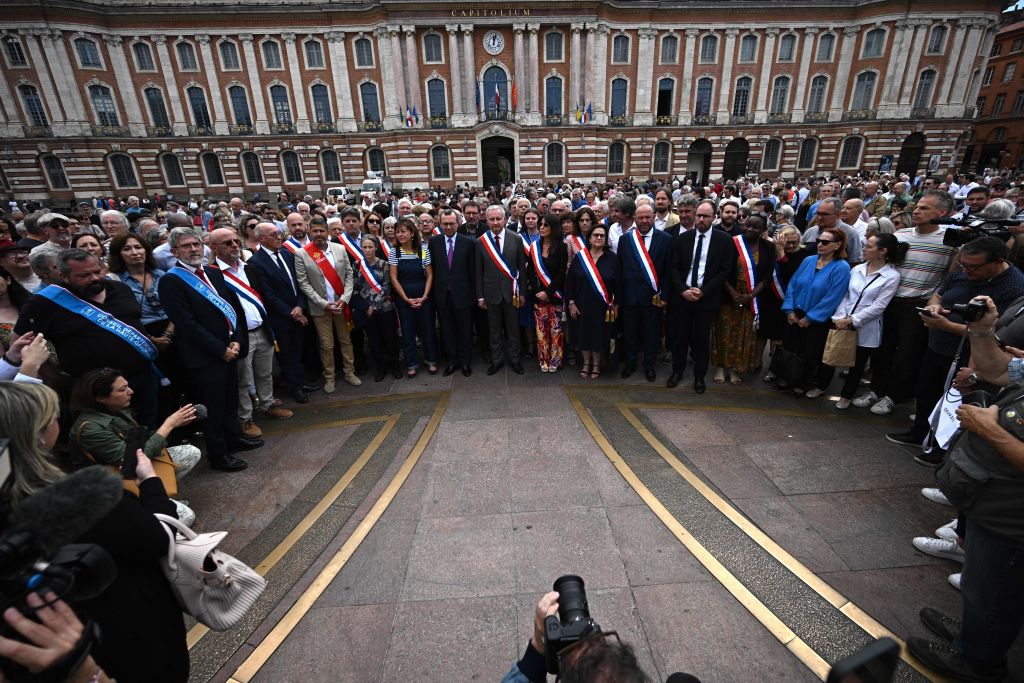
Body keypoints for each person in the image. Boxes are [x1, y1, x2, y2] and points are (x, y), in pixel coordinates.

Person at [0, 381, 188, 683]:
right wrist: (151, 485)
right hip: (130, 635)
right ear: (36, 434)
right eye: (50, 416)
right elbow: (159, 539)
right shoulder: (84, 499)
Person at [907, 294, 1024, 681]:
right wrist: (983, 330)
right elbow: (1002, 371)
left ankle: (978, 661)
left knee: (996, 588)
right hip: (991, 496)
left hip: (1013, 514)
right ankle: (976, 632)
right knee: (980, 580)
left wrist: (990, 430)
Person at [886, 237, 1024, 460]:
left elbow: (996, 334)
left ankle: (942, 451)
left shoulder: (1015, 287)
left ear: (997, 262)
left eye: (973, 267)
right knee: (927, 390)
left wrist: (949, 326)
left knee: (956, 402)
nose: (966, 270)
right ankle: (919, 432)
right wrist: (935, 306)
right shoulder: (963, 270)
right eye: (963, 265)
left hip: (974, 355)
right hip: (938, 344)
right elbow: (940, 293)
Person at [158, 227, 259, 473]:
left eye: (196, 244)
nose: (193, 249)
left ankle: (233, 438)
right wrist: (220, 349)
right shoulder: (171, 281)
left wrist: (236, 340)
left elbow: (232, 309)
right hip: (204, 357)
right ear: (174, 252)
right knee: (212, 408)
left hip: (229, 350)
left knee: (230, 399)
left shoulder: (212, 273)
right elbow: (187, 324)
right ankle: (218, 455)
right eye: (186, 246)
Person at [865, 191, 958, 415]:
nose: (916, 210)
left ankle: (893, 396)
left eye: (925, 208)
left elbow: (950, 274)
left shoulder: (950, 239)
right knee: (881, 349)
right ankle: (876, 389)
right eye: (917, 206)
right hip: (889, 301)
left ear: (942, 213)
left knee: (907, 354)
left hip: (918, 304)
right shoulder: (902, 234)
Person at [68, 368, 200, 521]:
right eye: (123, 389)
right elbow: (133, 462)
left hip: (129, 471)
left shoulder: (113, 409)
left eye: (128, 386)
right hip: (110, 489)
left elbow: (140, 445)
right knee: (186, 518)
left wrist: (176, 423)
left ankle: (158, 499)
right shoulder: (90, 428)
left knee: (190, 452)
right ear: (100, 397)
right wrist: (169, 425)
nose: (130, 391)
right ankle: (145, 509)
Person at [208, 228, 293, 439]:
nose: (234, 245)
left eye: (236, 241)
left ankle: (267, 404)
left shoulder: (249, 268)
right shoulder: (211, 274)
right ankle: (245, 419)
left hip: (262, 329)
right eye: (227, 243)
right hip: (239, 336)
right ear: (214, 248)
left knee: (265, 373)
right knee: (243, 380)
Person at [668, 200, 735, 392]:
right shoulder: (683, 239)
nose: (701, 219)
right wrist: (683, 290)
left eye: (706, 216)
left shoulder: (723, 240)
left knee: (701, 340)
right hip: (683, 297)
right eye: (699, 215)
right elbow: (674, 268)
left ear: (714, 217)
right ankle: (677, 371)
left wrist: (704, 291)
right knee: (680, 338)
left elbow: (724, 271)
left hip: (707, 298)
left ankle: (699, 377)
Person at [834, 234, 904, 409]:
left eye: (870, 246)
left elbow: (879, 306)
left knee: (858, 362)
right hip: (843, 320)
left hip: (867, 326)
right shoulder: (856, 269)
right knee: (838, 354)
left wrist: (853, 319)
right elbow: (845, 295)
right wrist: (840, 317)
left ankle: (847, 395)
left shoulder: (891, 276)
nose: (864, 249)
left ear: (883, 251)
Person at [780, 228, 852, 397]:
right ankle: (787, 377)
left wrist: (811, 318)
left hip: (818, 319)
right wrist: (789, 309)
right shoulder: (809, 260)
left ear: (837, 245)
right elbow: (793, 284)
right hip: (796, 312)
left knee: (810, 352)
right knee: (790, 348)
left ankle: (803, 383)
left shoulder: (841, 267)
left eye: (826, 242)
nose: (820, 244)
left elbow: (833, 297)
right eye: (820, 240)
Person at [246, 222, 312, 403]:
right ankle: (294, 387)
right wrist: (293, 312)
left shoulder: (286, 253)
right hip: (281, 317)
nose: (278, 237)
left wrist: (300, 306)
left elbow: (300, 282)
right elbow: (268, 295)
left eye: (279, 233)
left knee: (298, 350)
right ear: (262, 239)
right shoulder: (255, 263)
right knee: (286, 354)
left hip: (298, 311)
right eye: (273, 234)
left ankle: (300, 381)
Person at [294, 217, 361, 392]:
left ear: (327, 232)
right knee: (327, 345)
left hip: (341, 305)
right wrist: (323, 303)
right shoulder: (302, 254)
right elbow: (303, 283)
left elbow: (348, 274)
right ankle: (329, 377)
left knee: (346, 341)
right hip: (320, 308)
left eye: (322, 231)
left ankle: (349, 372)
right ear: (310, 231)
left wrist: (345, 298)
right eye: (315, 231)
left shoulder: (339, 249)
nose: (318, 234)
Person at [710, 214, 775, 385]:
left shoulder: (768, 247)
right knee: (724, 332)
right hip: (728, 295)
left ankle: (735, 368)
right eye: (747, 225)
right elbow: (721, 271)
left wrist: (750, 296)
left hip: (751, 299)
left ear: (763, 230)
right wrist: (733, 293)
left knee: (742, 334)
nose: (750, 229)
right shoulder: (732, 242)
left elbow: (767, 276)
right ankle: (721, 366)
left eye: (755, 227)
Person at [618, 204, 672, 382]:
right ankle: (630, 364)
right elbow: (621, 269)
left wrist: (664, 296)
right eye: (640, 217)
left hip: (653, 298)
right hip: (630, 297)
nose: (644, 221)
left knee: (651, 335)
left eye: (647, 217)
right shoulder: (625, 240)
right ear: (635, 218)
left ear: (654, 217)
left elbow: (668, 271)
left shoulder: (665, 239)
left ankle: (649, 366)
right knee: (630, 333)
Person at [477, 205, 528, 375]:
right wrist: (480, 296)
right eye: (492, 219)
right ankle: (497, 360)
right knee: (494, 330)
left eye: (498, 218)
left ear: (505, 219)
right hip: (491, 293)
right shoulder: (481, 242)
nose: (495, 222)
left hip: (512, 293)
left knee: (513, 329)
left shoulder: (516, 239)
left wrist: (522, 293)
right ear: (487, 220)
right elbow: (479, 271)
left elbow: (522, 268)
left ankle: (514, 359)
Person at [428, 209, 476, 377]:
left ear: (458, 223)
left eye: (451, 223)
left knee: (465, 331)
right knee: (447, 331)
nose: (448, 227)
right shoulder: (433, 243)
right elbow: (431, 269)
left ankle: (465, 362)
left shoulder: (469, 243)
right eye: (445, 224)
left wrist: (475, 296)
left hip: (463, 296)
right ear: (439, 224)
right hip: (442, 296)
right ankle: (452, 361)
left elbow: (473, 272)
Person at [567, 224, 618, 379]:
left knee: (599, 334)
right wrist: (571, 303)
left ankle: (596, 364)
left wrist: (616, 305)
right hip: (582, 303)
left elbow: (618, 284)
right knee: (583, 334)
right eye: (595, 235)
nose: (599, 238)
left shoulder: (612, 258)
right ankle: (586, 363)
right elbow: (571, 282)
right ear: (589, 238)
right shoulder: (580, 257)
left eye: (602, 235)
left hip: (603, 306)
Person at [390, 216, 438, 377]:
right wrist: (405, 298)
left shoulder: (423, 250)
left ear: (412, 233)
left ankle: (431, 360)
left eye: (403, 231)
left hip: (424, 295)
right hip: (404, 298)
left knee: (428, 329)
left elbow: (430, 275)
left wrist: (424, 296)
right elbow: (394, 278)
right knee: (408, 330)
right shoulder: (394, 251)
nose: (399, 235)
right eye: (397, 232)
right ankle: (411, 363)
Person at [352, 236, 400, 381]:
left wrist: (374, 305)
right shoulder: (356, 265)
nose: (367, 250)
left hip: (385, 308)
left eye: (370, 247)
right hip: (367, 311)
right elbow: (354, 289)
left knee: (390, 339)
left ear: (376, 248)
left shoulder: (384, 264)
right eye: (364, 247)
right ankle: (381, 368)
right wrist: (366, 307)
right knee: (374, 341)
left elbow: (386, 287)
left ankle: (395, 366)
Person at [530, 213, 568, 372]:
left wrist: (549, 292)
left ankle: (555, 359)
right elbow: (531, 272)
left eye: (546, 225)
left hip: (556, 295)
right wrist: (540, 292)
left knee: (556, 330)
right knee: (541, 330)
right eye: (541, 224)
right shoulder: (534, 246)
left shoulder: (562, 246)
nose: (542, 227)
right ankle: (543, 359)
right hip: (539, 297)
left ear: (554, 227)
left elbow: (561, 273)